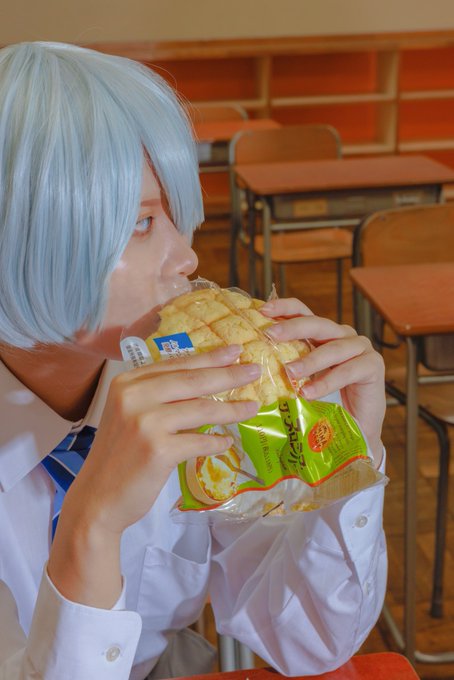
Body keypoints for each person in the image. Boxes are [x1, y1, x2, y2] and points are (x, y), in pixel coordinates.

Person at [0, 41, 387, 680]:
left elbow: (312, 643)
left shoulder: (194, 389)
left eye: (179, 218)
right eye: (142, 223)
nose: (188, 259)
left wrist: (343, 455)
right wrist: (92, 525)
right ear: (25, 237)